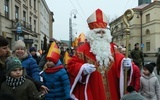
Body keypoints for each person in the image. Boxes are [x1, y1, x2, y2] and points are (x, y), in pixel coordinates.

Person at [67, 9, 139, 100]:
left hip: (113, 91)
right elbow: (71, 65)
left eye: (103, 32)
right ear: (91, 34)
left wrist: (127, 64)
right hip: (93, 91)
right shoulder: (82, 50)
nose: (101, 35)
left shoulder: (112, 48)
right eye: (98, 32)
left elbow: (121, 61)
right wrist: (82, 68)